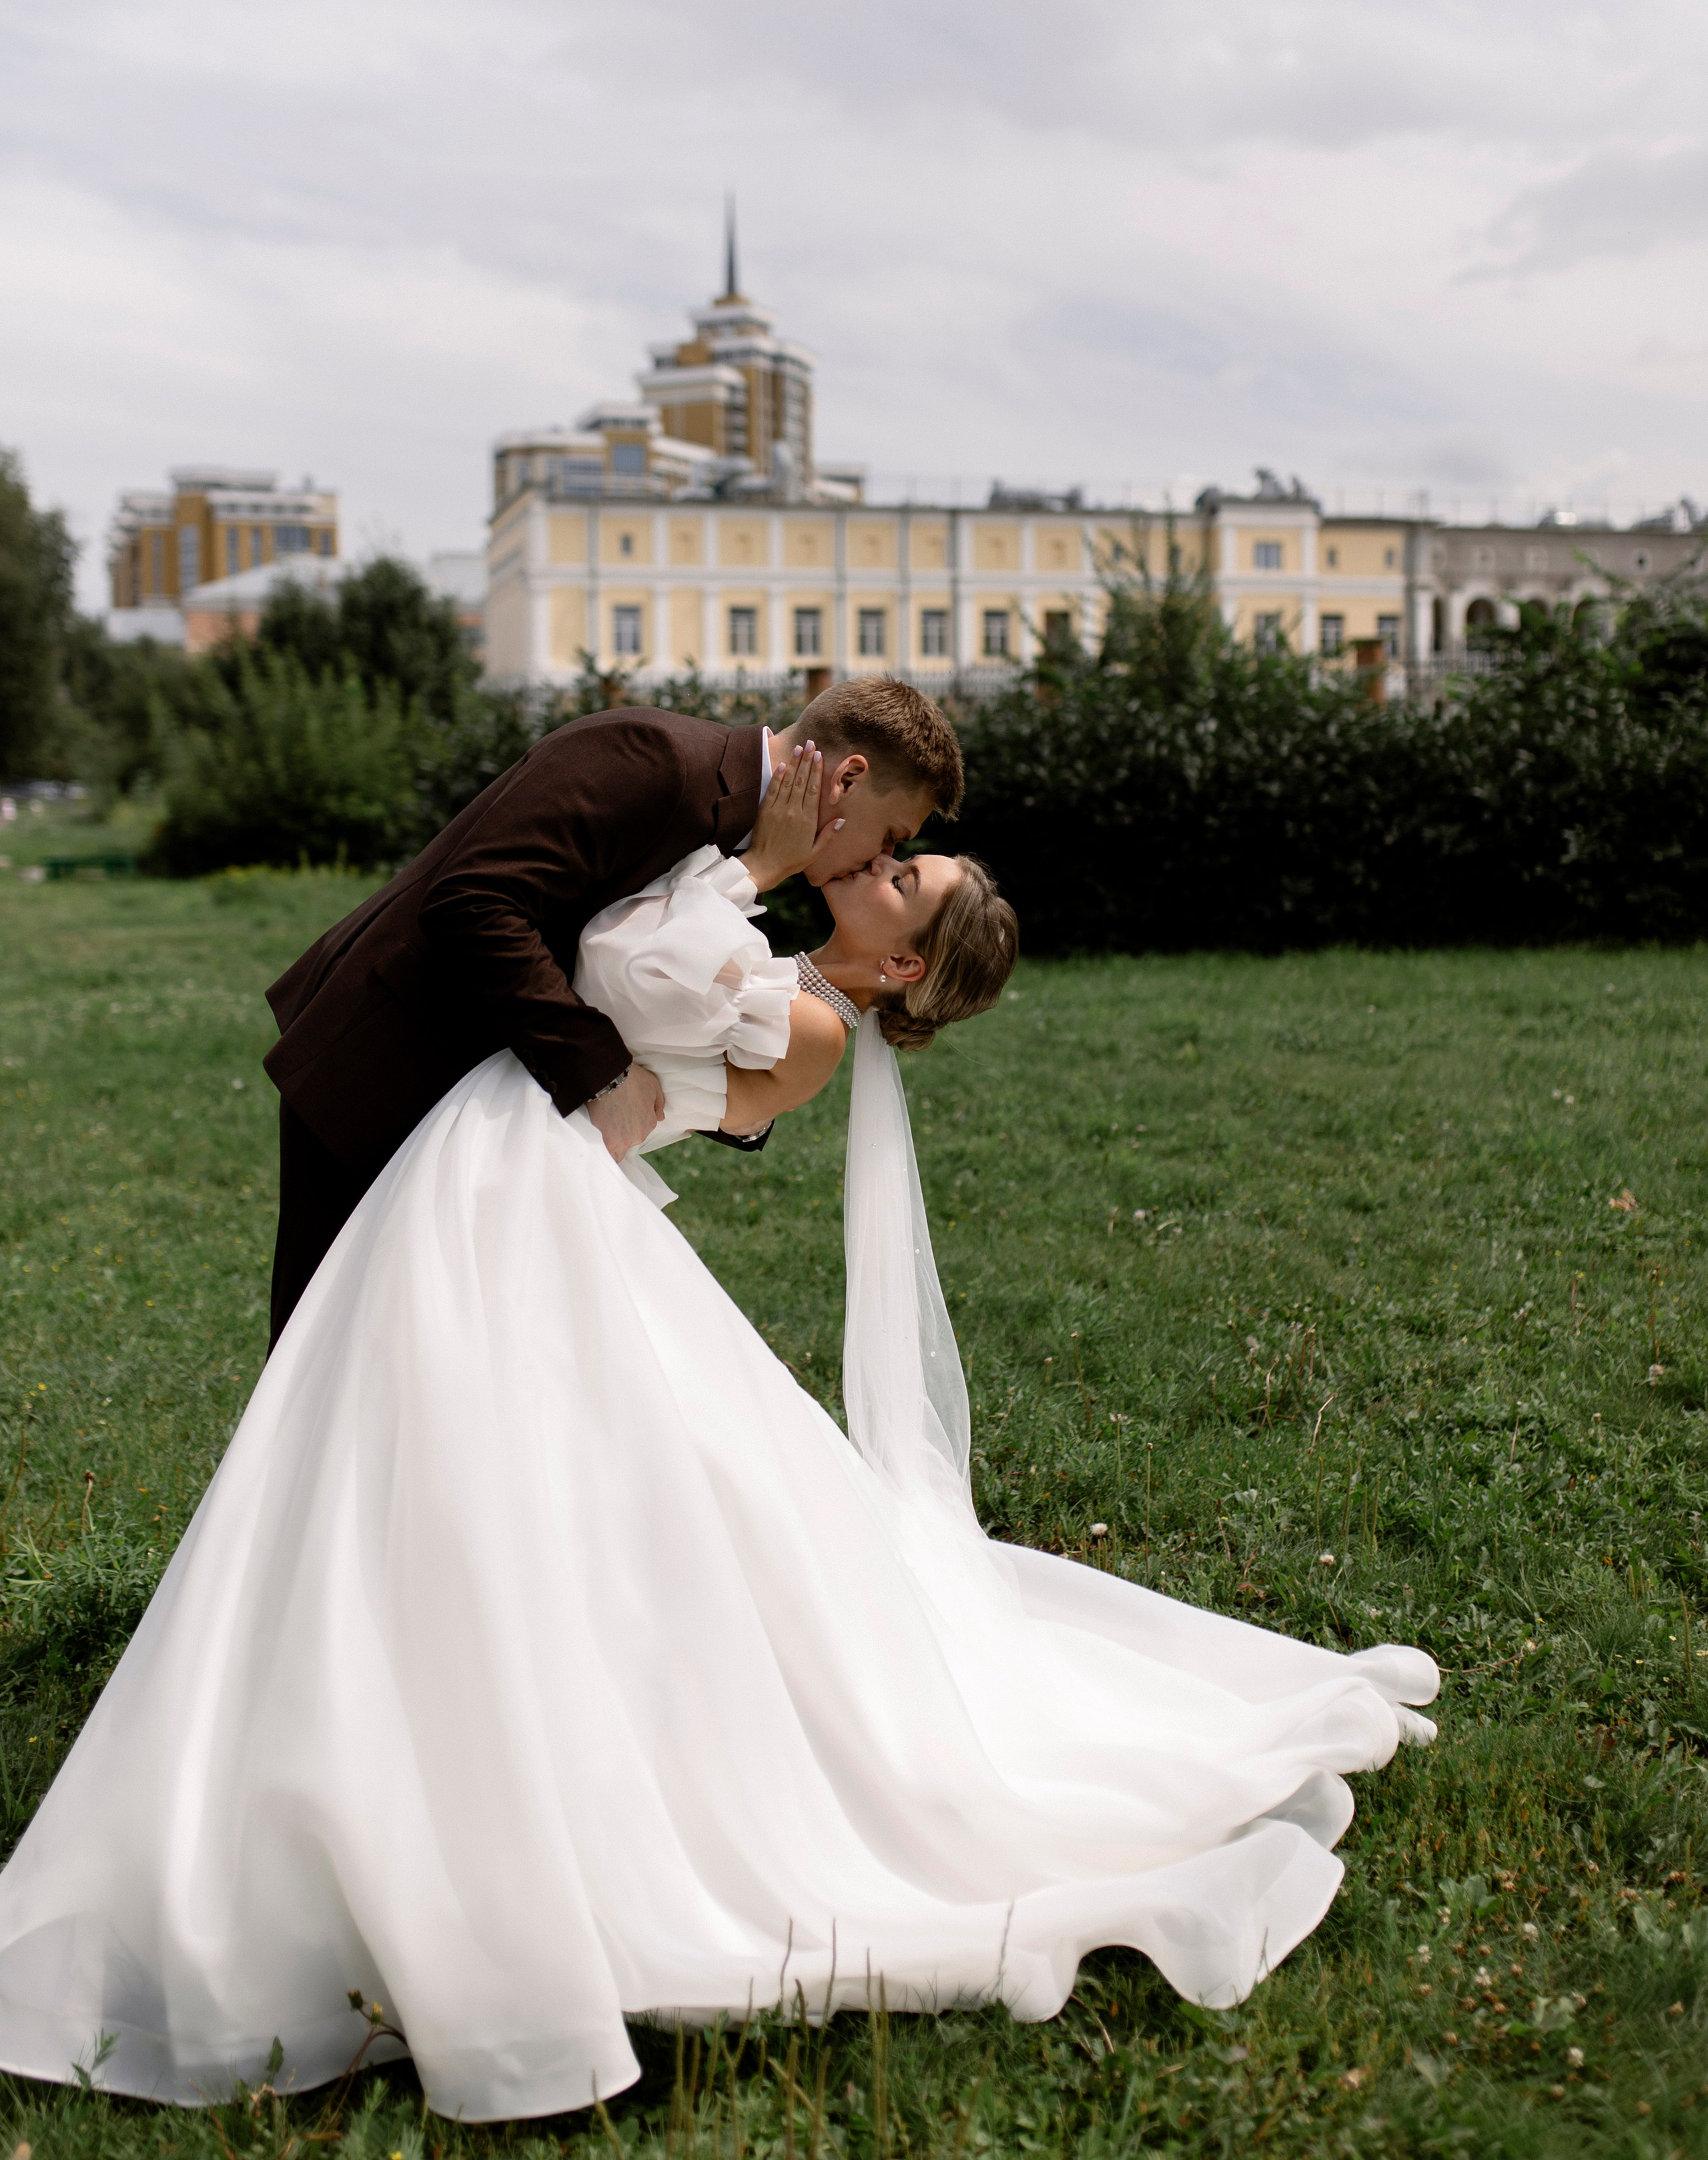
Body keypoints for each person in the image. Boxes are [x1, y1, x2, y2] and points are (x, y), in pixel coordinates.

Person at [0, 755, 1438, 2125]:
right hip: (513, 1168)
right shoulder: (793, 983)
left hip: (533, 1181)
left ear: (897, 970)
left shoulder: (805, 1022)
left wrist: (749, 860)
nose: (882, 863)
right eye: (904, 852)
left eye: (905, 878)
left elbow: (632, 961)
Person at [262, 677, 963, 1346]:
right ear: (846, 779)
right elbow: (474, 905)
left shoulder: (743, 832)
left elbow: (634, 983)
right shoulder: (650, 757)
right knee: (327, 1360)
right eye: (893, 836)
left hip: (492, 1110)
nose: (882, 856)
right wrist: (605, 1072)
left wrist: (742, 1093)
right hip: (392, 1062)